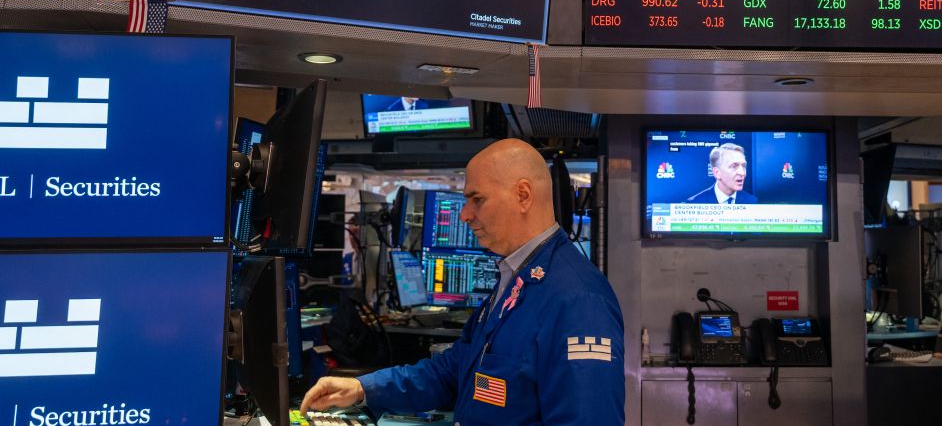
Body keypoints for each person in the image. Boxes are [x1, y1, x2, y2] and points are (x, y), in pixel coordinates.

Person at [301, 139, 625, 424]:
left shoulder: (578, 300)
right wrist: (362, 388)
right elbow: (454, 371)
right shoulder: (516, 280)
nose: (465, 214)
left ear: (522, 195)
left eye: (477, 199)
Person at [686, 143, 758, 204]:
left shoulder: (752, 202)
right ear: (717, 173)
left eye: (743, 166)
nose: (742, 173)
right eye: (734, 166)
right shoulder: (695, 203)